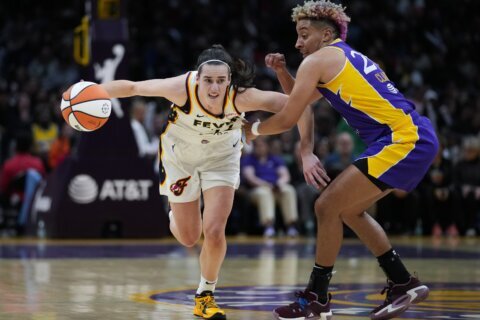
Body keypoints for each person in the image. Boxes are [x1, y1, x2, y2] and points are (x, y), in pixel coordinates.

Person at [97, 44, 322, 320]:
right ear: (197, 77)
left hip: (222, 158)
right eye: (208, 81)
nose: (214, 88)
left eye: (220, 81)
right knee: (189, 237)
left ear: (230, 80)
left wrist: (302, 148)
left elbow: (300, 104)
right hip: (180, 159)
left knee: (214, 231)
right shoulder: (181, 87)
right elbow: (132, 88)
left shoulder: (242, 97)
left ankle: (205, 296)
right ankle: (175, 215)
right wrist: (91, 90)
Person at [244, 1, 439, 319]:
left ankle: (317, 298)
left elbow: (289, 115)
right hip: (410, 136)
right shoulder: (342, 56)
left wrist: (251, 131)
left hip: (403, 138)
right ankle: (403, 282)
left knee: (326, 206)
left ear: (325, 34)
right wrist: (282, 72)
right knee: (347, 210)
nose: (297, 43)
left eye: (304, 34)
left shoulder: (319, 60)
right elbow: (301, 98)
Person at [241, 136, 299, 238]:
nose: (259, 148)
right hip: (257, 189)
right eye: (257, 146)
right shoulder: (249, 159)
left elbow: (285, 175)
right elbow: (250, 178)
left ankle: (291, 226)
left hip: (276, 187)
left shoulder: (275, 159)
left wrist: (280, 184)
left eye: (262, 145)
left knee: (289, 190)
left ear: (267, 147)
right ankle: (269, 226)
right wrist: (266, 185)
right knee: (265, 193)